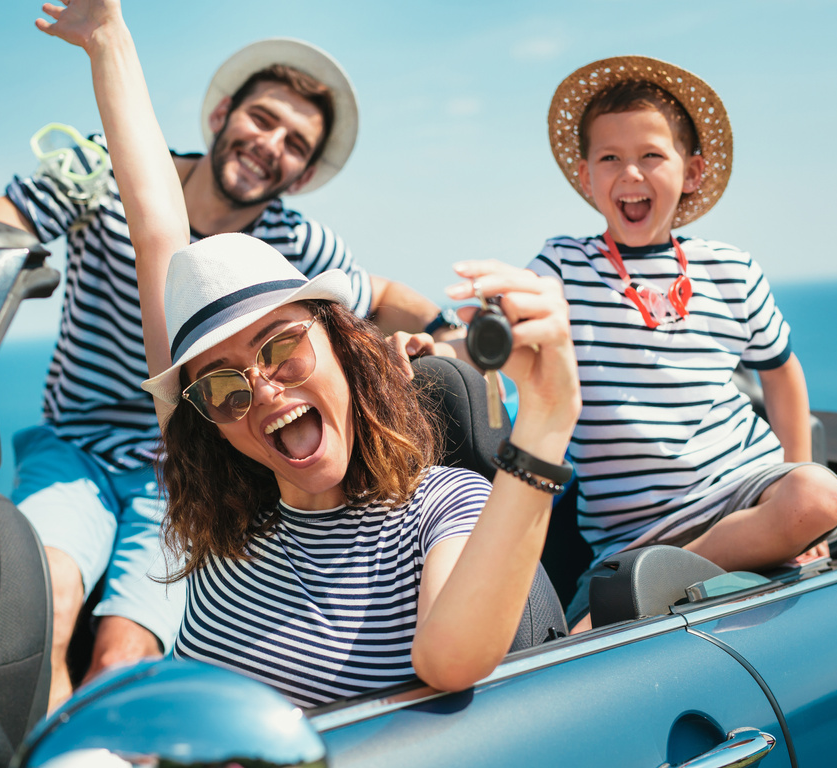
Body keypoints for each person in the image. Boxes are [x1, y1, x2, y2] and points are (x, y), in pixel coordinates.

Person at [34, 0, 581, 707]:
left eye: (283, 347)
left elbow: (449, 660)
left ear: (346, 349)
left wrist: (543, 425)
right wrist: (108, 42)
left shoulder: (442, 506)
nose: (258, 389)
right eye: (223, 387)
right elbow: (158, 228)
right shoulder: (226, 518)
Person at [0, 26, 456, 711]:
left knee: (125, 653)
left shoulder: (293, 240)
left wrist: (444, 333)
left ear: (305, 174)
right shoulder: (97, 177)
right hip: (78, 445)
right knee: (43, 607)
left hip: (183, 455)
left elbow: (375, 294)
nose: (270, 146)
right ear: (220, 114)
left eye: (295, 144)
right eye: (263, 119)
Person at [532, 56, 837, 632]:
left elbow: (781, 372)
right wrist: (460, 332)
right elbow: (519, 307)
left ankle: (674, 574)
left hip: (740, 495)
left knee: (818, 496)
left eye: (651, 155)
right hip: (628, 537)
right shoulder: (565, 264)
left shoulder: (729, 268)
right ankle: (656, 574)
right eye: (610, 158)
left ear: (692, 171)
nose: (630, 172)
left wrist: (795, 465)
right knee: (559, 652)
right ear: (586, 178)